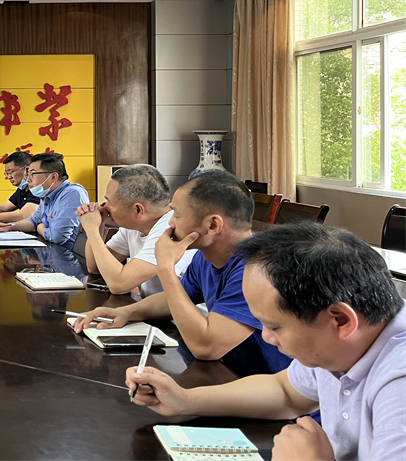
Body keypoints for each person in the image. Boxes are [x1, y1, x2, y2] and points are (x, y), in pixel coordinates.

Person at [127, 224, 406, 461]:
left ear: (341, 320)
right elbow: (286, 392)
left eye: (274, 326)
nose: (266, 337)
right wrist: (184, 400)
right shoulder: (338, 345)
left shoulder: (398, 384)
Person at [73, 170, 290, 377]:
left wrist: (165, 267)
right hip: (231, 374)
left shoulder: (257, 269)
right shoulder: (204, 257)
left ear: (212, 225)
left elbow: (206, 347)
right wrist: (126, 312)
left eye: (176, 214)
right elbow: (173, 299)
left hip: (267, 387)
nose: (170, 222)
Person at [77, 164, 196, 297]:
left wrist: (91, 229)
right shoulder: (135, 226)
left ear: (138, 210)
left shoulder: (170, 229)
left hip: (175, 309)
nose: (105, 207)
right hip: (151, 306)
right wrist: (99, 226)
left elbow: (118, 284)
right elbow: (95, 267)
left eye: (109, 202)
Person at [0, 152, 89, 251]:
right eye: (27, 175)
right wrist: (8, 227)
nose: (28, 180)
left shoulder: (72, 193)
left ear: (53, 177)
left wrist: (41, 228)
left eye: (32, 174)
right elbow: (33, 221)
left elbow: (57, 237)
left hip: (67, 257)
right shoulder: (48, 194)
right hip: (51, 252)